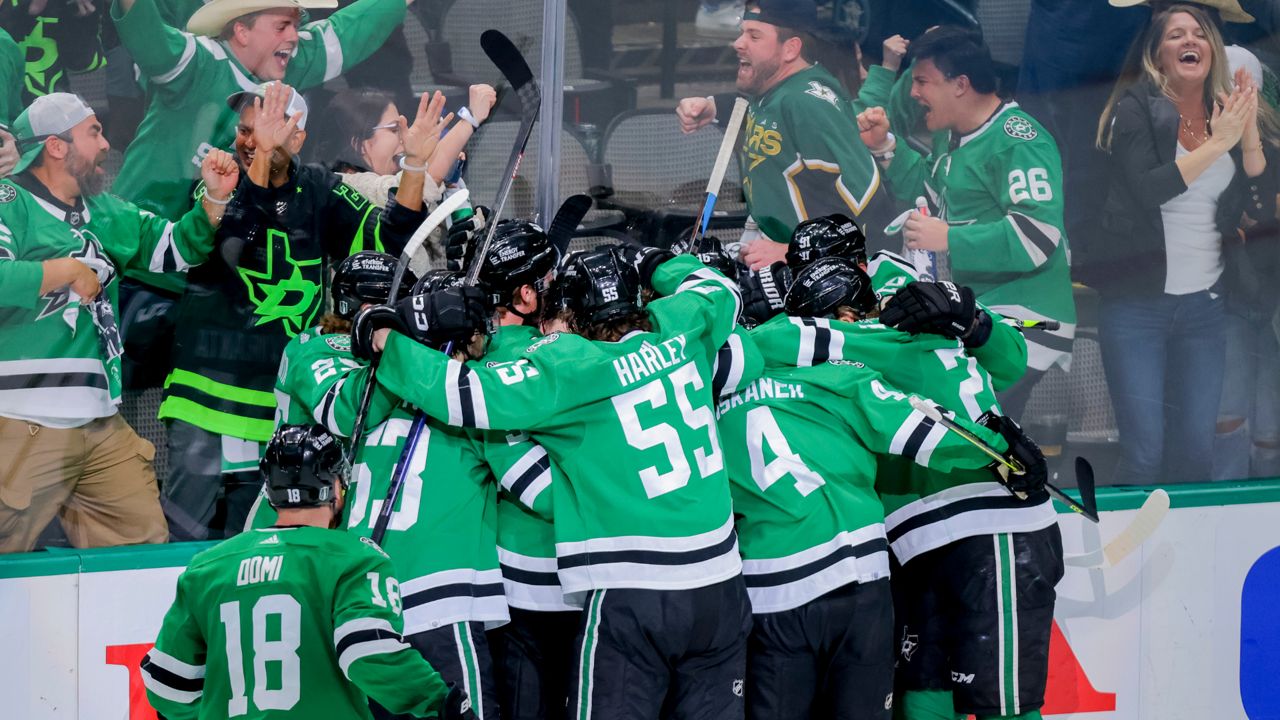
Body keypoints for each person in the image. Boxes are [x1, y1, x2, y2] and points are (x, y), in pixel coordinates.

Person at [359, 248, 753, 720]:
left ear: (579, 317)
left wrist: (384, 336)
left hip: (634, 593)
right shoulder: (685, 328)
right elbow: (720, 289)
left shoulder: (575, 363)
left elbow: (465, 395)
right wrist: (651, 260)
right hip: (724, 587)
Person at [716, 256, 1037, 720]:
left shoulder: (703, 396)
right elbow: (926, 432)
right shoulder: (842, 376)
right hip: (858, 580)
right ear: (844, 314)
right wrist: (1002, 450)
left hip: (770, 589)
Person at [157, 81, 441, 541]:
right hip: (204, 402)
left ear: (299, 138)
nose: (250, 140)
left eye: (268, 128)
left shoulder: (321, 190)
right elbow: (233, 237)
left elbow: (391, 242)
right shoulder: (215, 184)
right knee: (183, 541)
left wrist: (414, 165)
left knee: (255, 544)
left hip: (277, 410)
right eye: (247, 129)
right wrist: (264, 157)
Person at [0, 93, 238, 553]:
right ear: (56, 146)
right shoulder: (8, 199)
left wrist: (213, 198)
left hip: (99, 424)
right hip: (21, 418)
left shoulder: (104, 211)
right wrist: (65, 270)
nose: (107, 144)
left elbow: (177, 249)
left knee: (139, 554)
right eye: (93, 132)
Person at [140, 423, 476, 720]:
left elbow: (166, 684)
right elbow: (367, 652)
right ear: (337, 487)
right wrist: (439, 702)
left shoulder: (208, 567)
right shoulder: (354, 559)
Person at [1091, 4, 1276, 484]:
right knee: (1145, 452)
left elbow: (1259, 204)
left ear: (1212, 50)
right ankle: (1133, 556)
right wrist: (1218, 145)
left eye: (1199, 33)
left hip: (1204, 308)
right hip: (1136, 305)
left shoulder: (1224, 114)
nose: (1189, 41)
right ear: (1158, 53)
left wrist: (1248, 130)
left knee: (1197, 453)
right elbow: (1148, 188)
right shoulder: (1134, 108)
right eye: (1175, 35)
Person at [856, 27, 1077, 421]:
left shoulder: (1018, 140)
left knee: (966, 425)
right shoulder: (952, 134)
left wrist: (950, 238)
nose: (913, 93)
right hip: (984, 313)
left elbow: (1037, 237)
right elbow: (930, 187)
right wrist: (885, 146)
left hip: (1027, 318)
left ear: (960, 84)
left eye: (922, 81)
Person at [108, 0, 414, 225]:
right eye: (282, 25)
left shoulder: (289, 65)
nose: (294, 35)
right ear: (241, 30)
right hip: (135, 246)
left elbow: (350, 30)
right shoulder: (195, 63)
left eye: (295, 25)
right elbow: (144, 28)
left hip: (203, 267)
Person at [676, 0, 896, 269]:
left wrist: (795, 252)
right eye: (742, 32)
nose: (738, 43)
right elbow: (776, 120)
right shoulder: (776, 88)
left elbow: (870, 203)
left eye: (754, 35)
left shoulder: (809, 103)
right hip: (778, 254)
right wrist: (714, 106)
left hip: (818, 273)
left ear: (790, 48)